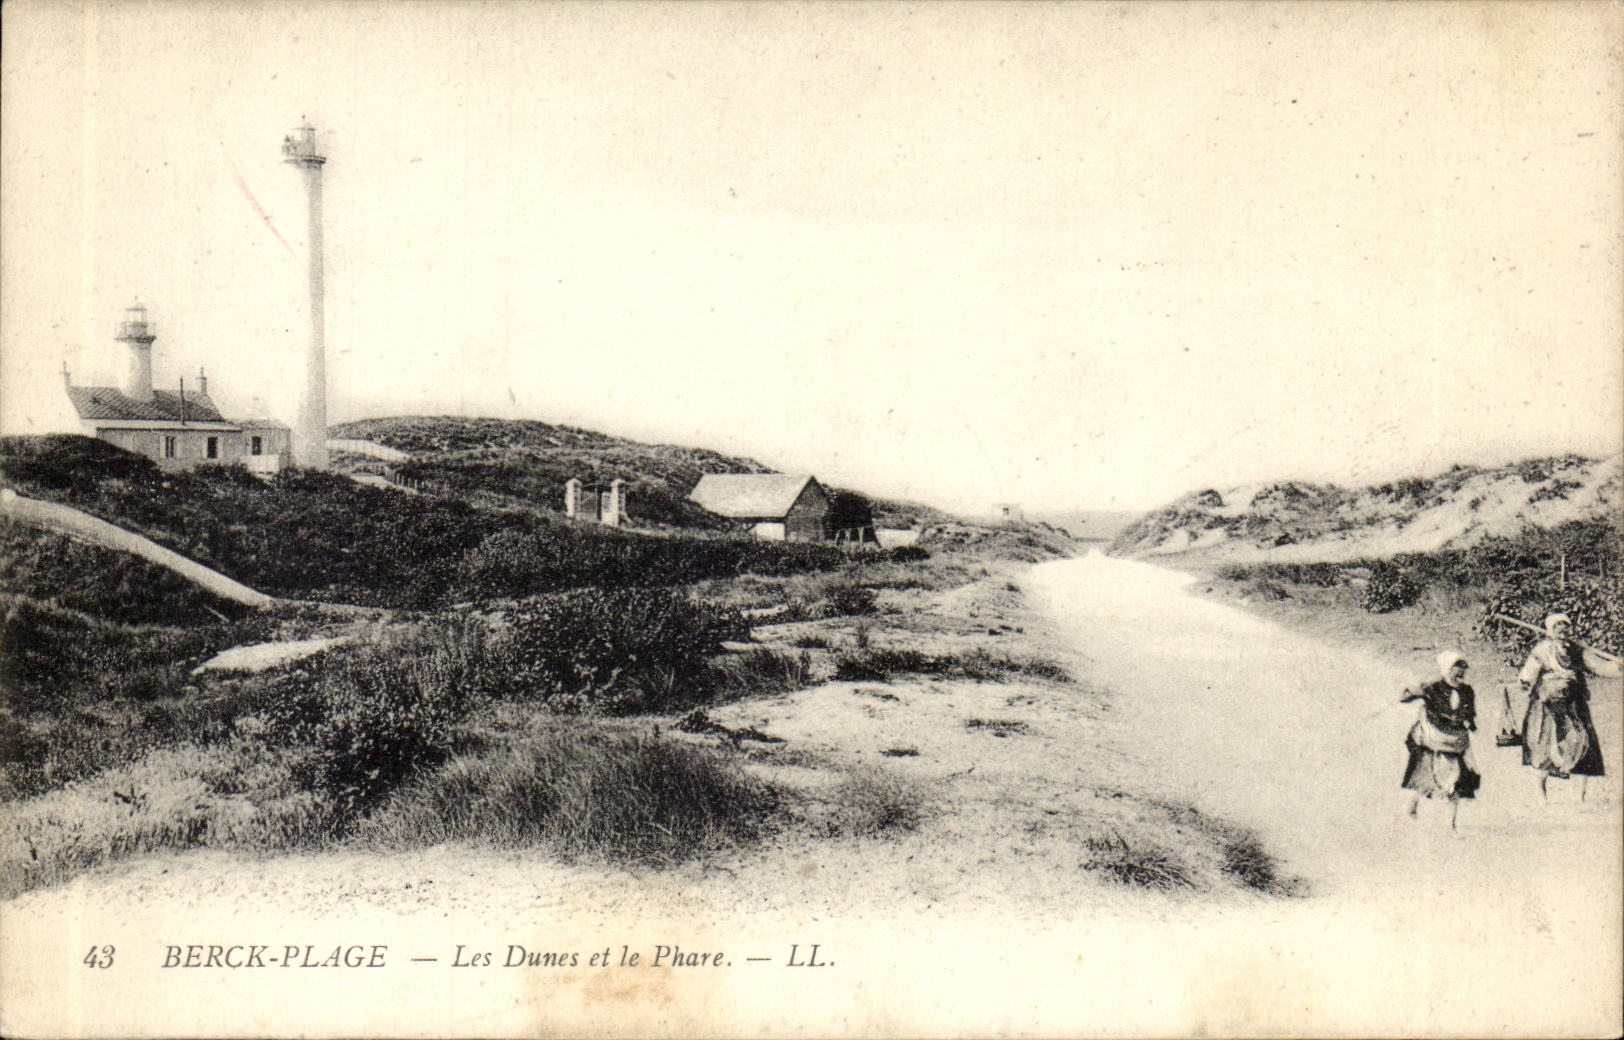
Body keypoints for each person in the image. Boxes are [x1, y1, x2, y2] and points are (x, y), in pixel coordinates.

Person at [1520, 613, 1618, 801]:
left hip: (1574, 703)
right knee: (1545, 748)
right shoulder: (1543, 649)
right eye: (1557, 628)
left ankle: (1579, 798)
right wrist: (1526, 681)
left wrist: (1616, 668)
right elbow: (1530, 670)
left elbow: (1598, 666)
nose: (1562, 631)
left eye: (1565, 628)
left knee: (1583, 746)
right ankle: (1541, 796)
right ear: (1550, 630)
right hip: (1550, 705)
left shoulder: (1577, 650)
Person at [1401, 650, 1479, 831]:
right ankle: (1412, 805)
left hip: (1456, 743)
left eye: (1462, 669)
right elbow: (1404, 697)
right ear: (1445, 670)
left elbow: (1469, 714)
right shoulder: (1433, 688)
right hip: (1433, 740)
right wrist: (1414, 691)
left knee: (1455, 784)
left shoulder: (1467, 691)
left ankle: (1451, 826)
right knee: (1426, 778)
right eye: (1455, 668)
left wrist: (1469, 723)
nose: (1460, 672)